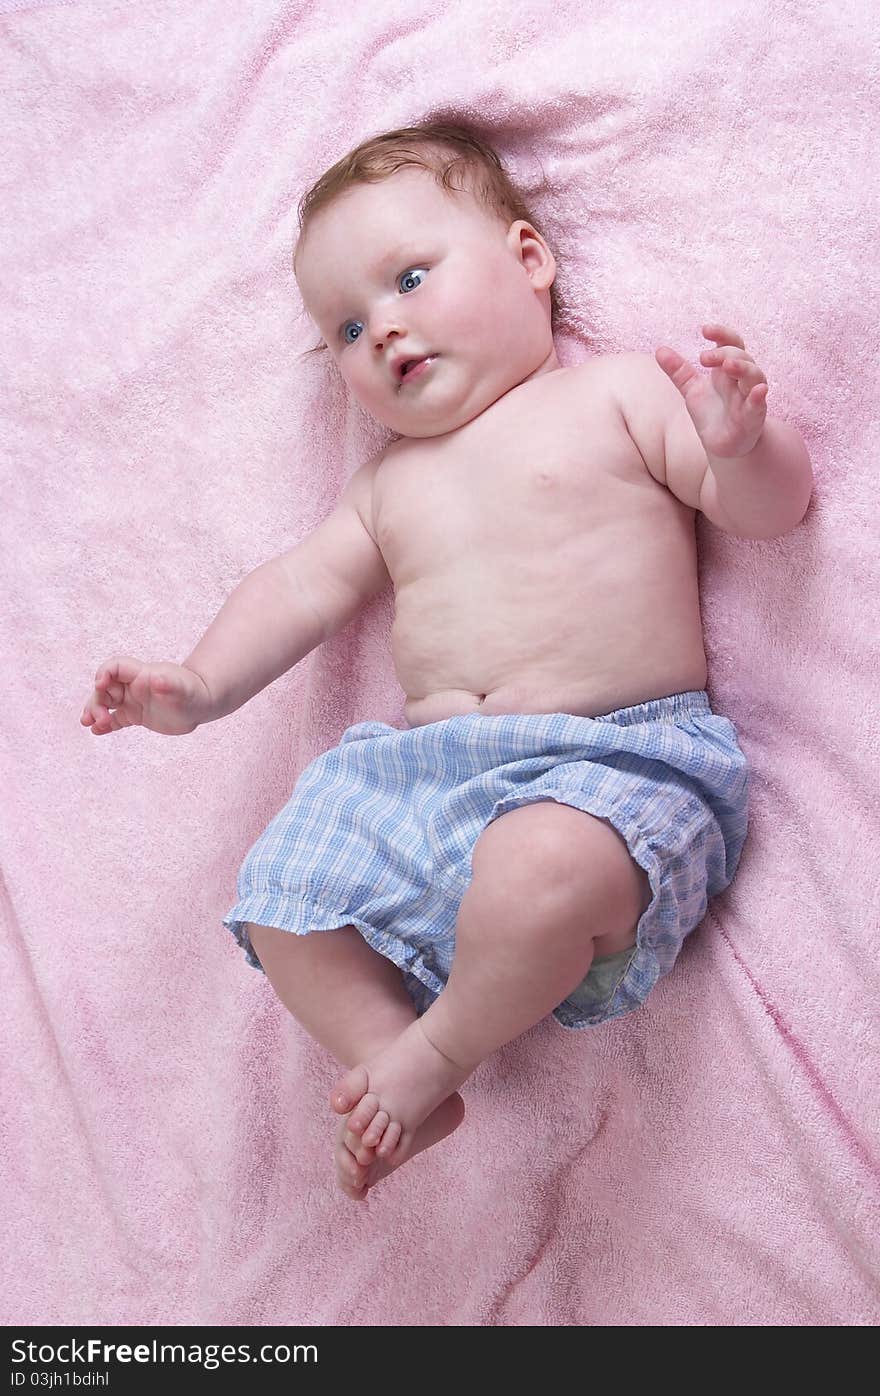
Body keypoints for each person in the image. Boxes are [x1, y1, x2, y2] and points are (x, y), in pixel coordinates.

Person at [80, 121, 813, 1202]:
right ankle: (383, 1048)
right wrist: (198, 687)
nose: (382, 329)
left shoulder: (611, 394)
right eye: (343, 326)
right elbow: (295, 589)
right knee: (283, 893)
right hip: (427, 783)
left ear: (528, 261)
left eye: (410, 278)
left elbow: (769, 513)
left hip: (612, 769)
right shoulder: (387, 486)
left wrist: (740, 445)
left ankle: (438, 1052)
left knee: (537, 869)